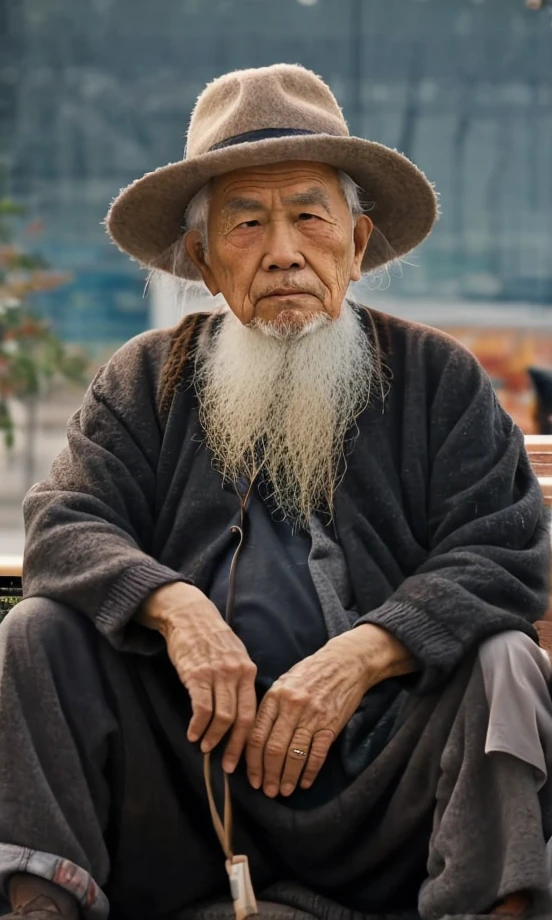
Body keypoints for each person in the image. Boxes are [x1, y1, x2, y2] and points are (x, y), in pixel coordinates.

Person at [1, 64, 551, 920]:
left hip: (386, 784)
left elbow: (507, 551)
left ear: (357, 245)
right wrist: (176, 610)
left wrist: (363, 654)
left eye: (309, 217)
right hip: (189, 787)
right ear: (205, 262)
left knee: (506, 661)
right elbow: (65, 526)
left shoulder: (437, 378)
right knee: (37, 633)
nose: (284, 250)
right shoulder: (146, 380)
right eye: (248, 224)